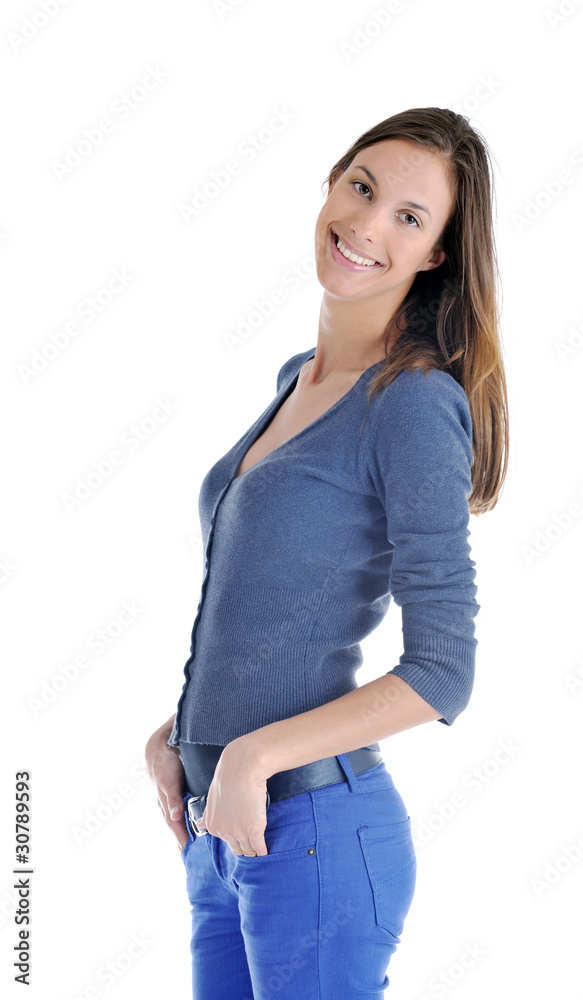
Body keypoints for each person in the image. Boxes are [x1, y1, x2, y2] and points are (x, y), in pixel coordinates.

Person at [145, 106, 508, 1000]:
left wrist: (250, 756)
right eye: (361, 187)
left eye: (408, 217)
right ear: (331, 182)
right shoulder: (295, 380)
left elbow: (442, 672)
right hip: (223, 827)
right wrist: (186, 732)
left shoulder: (411, 403)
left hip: (314, 836)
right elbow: (272, 610)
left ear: (435, 255)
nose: (367, 224)